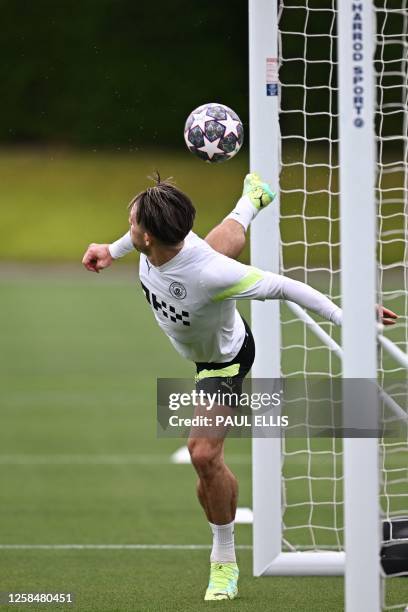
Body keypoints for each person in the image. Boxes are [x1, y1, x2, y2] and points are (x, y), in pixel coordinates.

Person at [82, 173, 397, 601]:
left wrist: (348, 317)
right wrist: (110, 250)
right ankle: (250, 200)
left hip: (222, 360)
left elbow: (287, 287)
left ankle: (224, 560)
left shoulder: (210, 273)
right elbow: (139, 240)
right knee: (214, 248)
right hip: (198, 304)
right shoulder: (162, 241)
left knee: (203, 453)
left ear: (149, 236)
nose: (129, 226)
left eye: (132, 224)